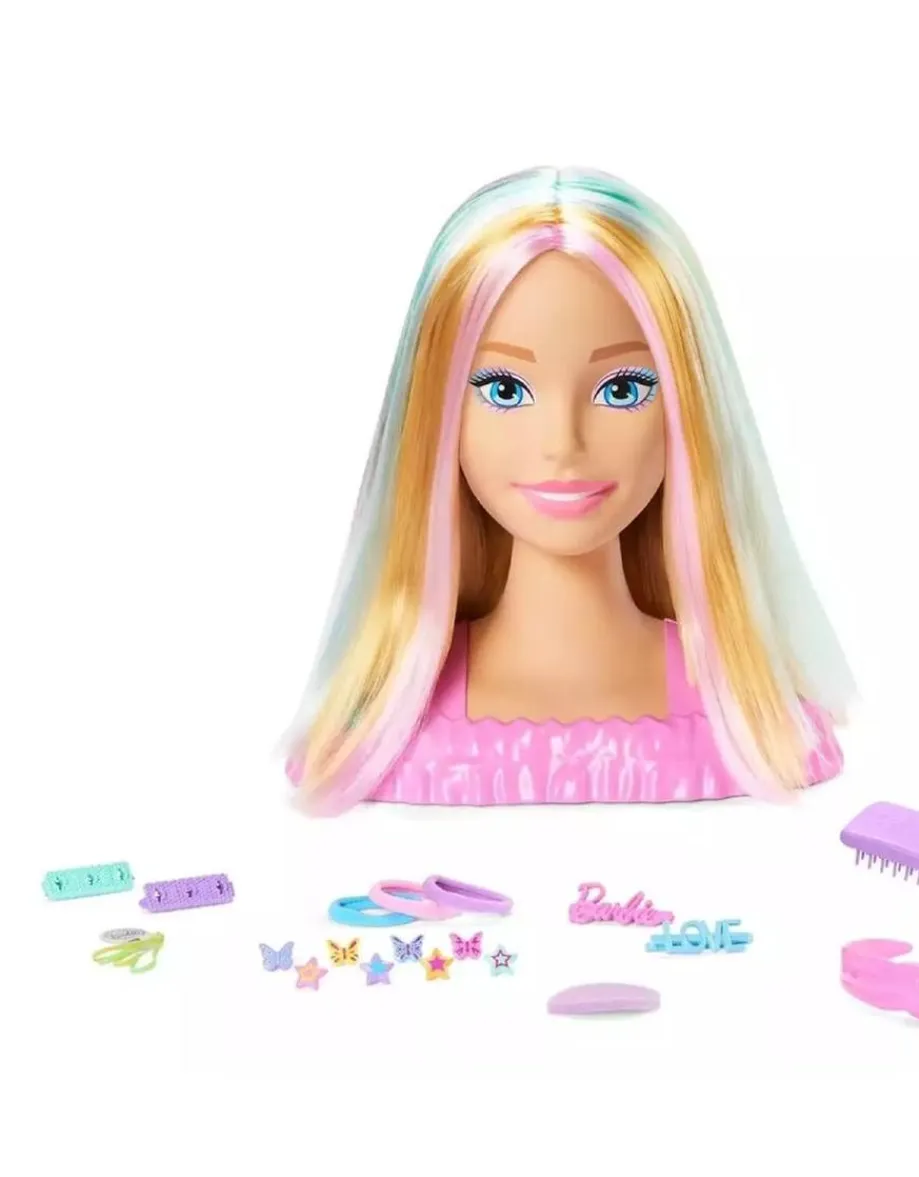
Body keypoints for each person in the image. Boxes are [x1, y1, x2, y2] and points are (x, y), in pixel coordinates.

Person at [287, 167, 854, 812]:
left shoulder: (750, 723)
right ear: (434, 415)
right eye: (505, 390)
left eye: (622, 389)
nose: (562, 442)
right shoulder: (381, 733)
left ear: (689, 411)